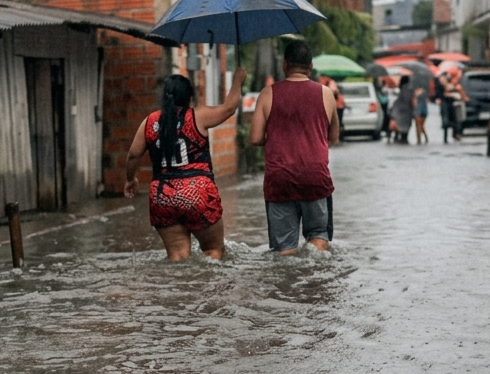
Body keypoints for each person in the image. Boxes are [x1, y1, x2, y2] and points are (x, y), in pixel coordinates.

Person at [123, 67, 246, 261]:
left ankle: (179, 290)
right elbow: (229, 108)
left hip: (162, 195)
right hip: (197, 192)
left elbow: (133, 156)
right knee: (213, 251)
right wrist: (238, 80)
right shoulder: (198, 116)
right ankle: (207, 291)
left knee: (177, 257)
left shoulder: (150, 122)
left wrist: (130, 179)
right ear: (190, 97)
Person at [248, 40, 339, 256]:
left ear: (284, 65)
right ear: (310, 66)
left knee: (285, 249)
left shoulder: (268, 94)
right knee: (318, 237)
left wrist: (277, 137)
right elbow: (333, 137)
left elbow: (254, 138)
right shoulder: (326, 94)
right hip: (315, 176)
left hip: (279, 178)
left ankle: (289, 286)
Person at [391, 74, 414, 144]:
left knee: (399, 123)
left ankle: (398, 137)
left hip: (399, 109)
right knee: (406, 124)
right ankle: (404, 138)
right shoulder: (410, 89)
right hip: (407, 110)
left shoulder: (400, 89)